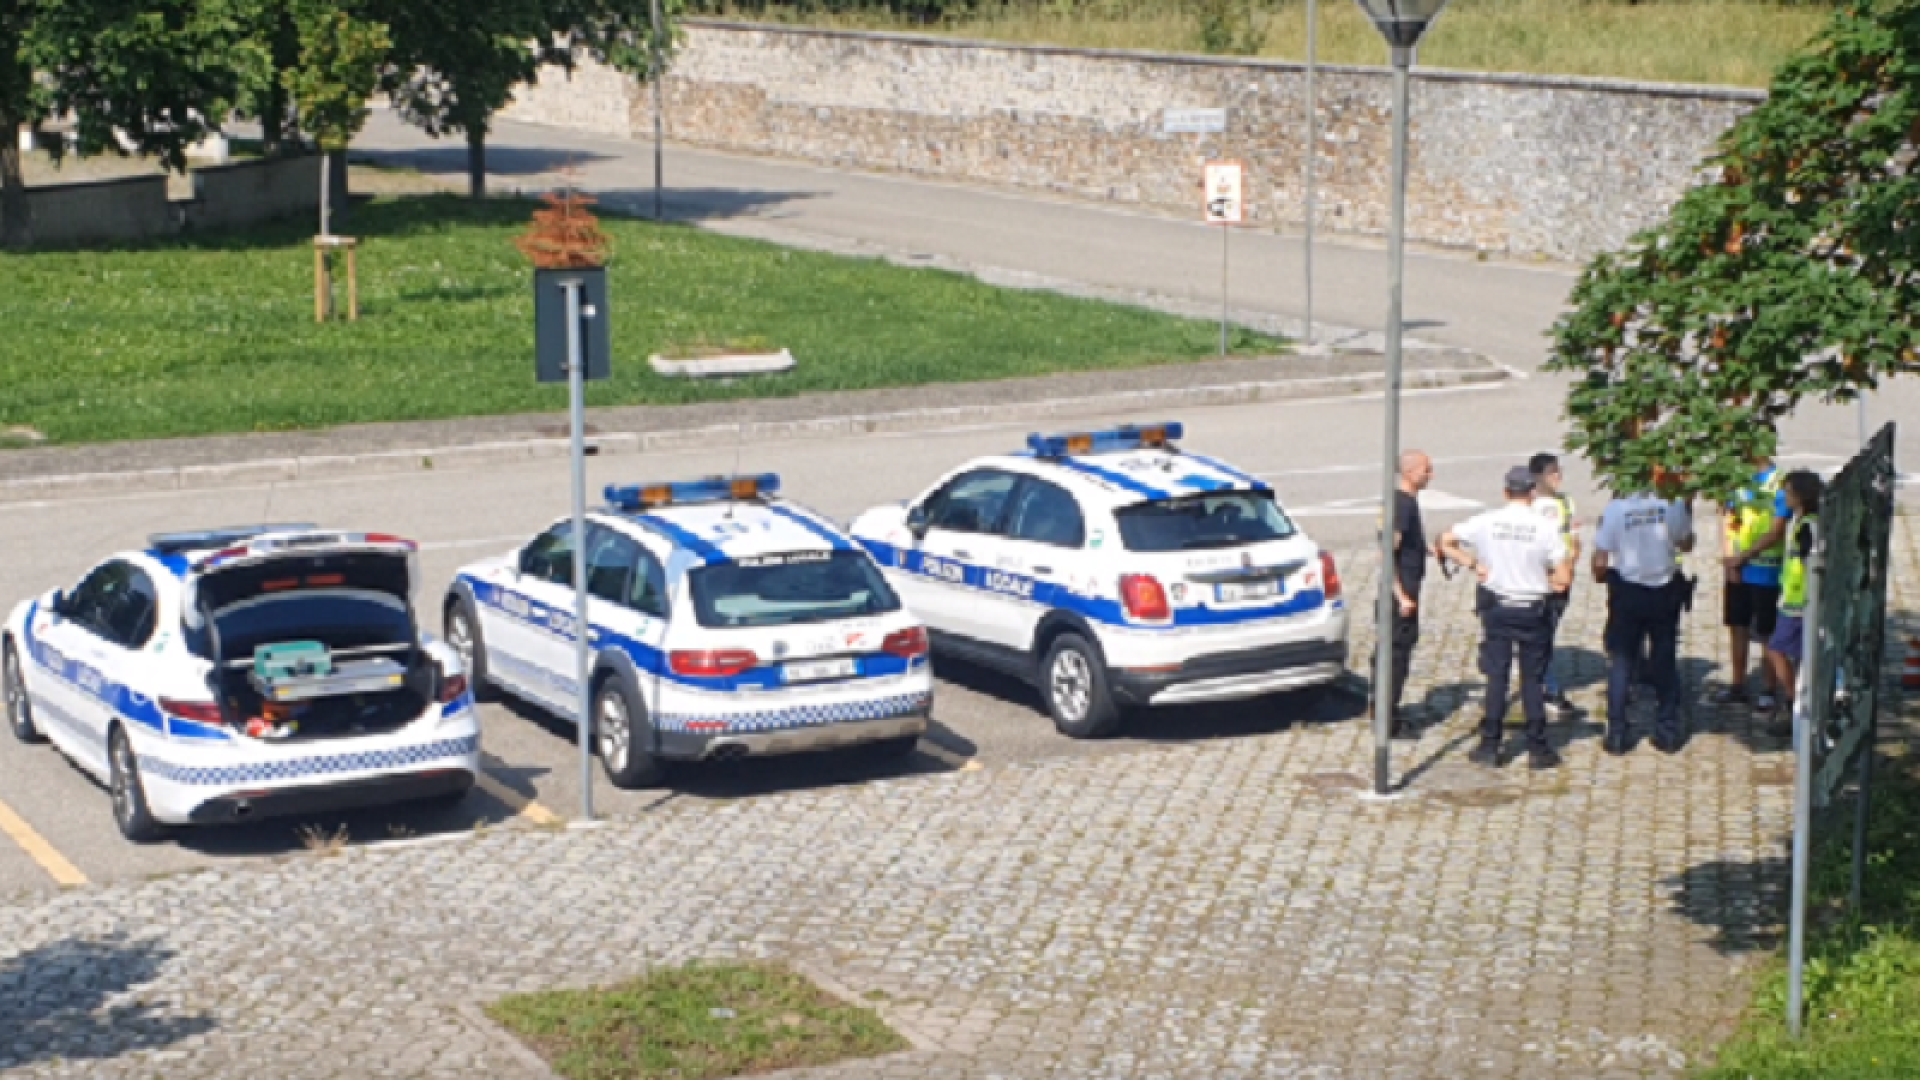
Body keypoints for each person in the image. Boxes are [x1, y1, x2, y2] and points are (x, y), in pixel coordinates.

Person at [1438, 466, 1575, 769]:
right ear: (1532, 493)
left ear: (1505, 492)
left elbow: (1445, 540)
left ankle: (1490, 744)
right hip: (1532, 609)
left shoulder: (1487, 521)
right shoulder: (1544, 528)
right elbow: (1563, 577)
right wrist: (1550, 579)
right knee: (1532, 679)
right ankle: (1538, 748)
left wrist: (1472, 563)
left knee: (1497, 677)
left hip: (1497, 608)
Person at [1591, 483, 1695, 754]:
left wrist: (1601, 576)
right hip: (1664, 590)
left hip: (1629, 591)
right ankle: (1667, 731)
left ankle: (1616, 733)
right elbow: (1686, 543)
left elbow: (1601, 557)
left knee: (1622, 661)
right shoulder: (1670, 503)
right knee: (1665, 658)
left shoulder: (1616, 509)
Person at [1717, 444, 1789, 712]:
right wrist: (1729, 561)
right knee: (1738, 627)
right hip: (1739, 569)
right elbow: (1728, 519)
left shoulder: (1779, 483)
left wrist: (1744, 556)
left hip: (1767, 570)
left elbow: (1776, 530)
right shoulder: (1738, 479)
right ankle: (1738, 684)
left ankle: (1769, 688)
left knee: (1766, 632)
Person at [1764, 471, 1823, 736]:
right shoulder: (1801, 520)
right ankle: (1797, 700)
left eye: (1788, 492)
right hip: (1793, 598)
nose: (1784, 497)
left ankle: (1792, 701)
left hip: (1799, 603)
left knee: (1776, 649)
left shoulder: (1807, 526)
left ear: (1800, 496)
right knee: (1796, 654)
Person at [1386, 450, 1434, 739]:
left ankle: (1387, 711)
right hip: (1401, 593)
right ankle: (1388, 719)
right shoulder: (1401, 506)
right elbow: (1388, 553)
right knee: (1395, 656)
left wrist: (1425, 549)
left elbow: (1405, 544)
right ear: (1410, 472)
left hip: (1406, 587)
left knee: (1398, 653)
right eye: (1427, 470)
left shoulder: (1404, 503)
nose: (1431, 475)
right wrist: (1401, 595)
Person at [1529, 453, 1580, 716]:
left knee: (1547, 631)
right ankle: (1546, 688)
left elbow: (1572, 538)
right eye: (1552, 473)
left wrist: (1570, 566)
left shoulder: (1565, 501)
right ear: (1538, 477)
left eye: (1559, 472)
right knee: (1542, 635)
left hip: (1563, 577)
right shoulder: (1538, 505)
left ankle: (1543, 682)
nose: (1558, 477)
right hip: (1544, 581)